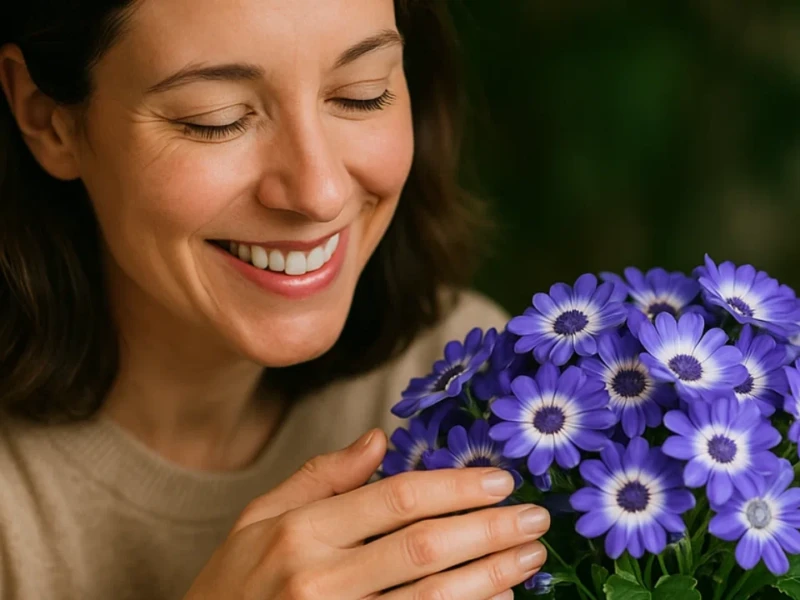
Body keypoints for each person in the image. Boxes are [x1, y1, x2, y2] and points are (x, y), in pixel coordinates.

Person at [0, 0, 550, 598]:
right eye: (215, 118)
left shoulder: (464, 378)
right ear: (48, 118)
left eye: (361, 95)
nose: (319, 193)